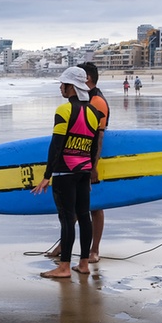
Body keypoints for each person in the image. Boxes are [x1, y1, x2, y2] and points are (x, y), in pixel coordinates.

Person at [31, 67, 103, 279]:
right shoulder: (93, 112)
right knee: (84, 216)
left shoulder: (63, 111)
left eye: (63, 84)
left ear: (71, 87)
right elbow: (91, 147)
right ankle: (83, 264)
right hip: (83, 171)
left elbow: (56, 146)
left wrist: (47, 175)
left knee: (67, 218)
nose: (60, 87)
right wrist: (89, 170)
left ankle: (63, 267)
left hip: (65, 172)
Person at [79, 63, 110, 263]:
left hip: (93, 159)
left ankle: (94, 249)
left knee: (95, 205)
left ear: (87, 78)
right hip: (79, 156)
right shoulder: (86, 99)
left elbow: (98, 138)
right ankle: (64, 245)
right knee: (77, 202)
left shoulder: (97, 101)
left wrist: (93, 166)